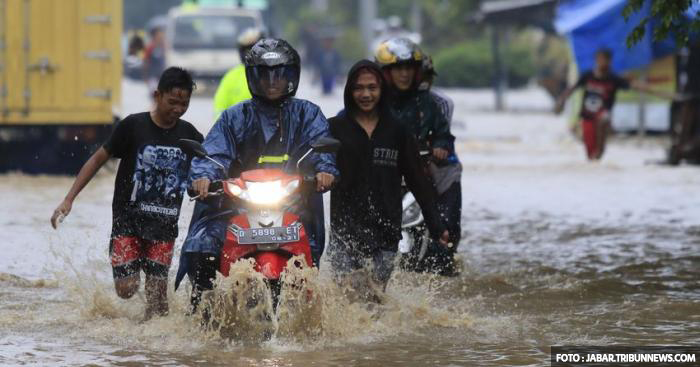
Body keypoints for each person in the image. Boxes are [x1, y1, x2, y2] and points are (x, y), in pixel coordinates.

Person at [174, 38, 339, 312]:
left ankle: (307, 314)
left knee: (307, 249)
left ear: (292, 76)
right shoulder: (234, 117)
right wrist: (204, 176)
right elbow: (214, 152)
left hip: (295, 207)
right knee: (203, 244)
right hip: (234, 207)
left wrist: (325, 171)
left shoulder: (308, 114)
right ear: (252, 77)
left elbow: (321, 147)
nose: (272, 81)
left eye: (279, 73)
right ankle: (203, 312)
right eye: (265, 74)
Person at [50, 67, 204, 320]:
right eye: (172, 102)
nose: (178, 109)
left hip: (164, 226)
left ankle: (153, 349)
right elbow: (98, 159)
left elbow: (209, 162)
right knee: (126, 290)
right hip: (127, 223)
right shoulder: (133, 126)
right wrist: (69, 198)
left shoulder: (189, 134)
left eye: (184, 104)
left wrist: (205, 180)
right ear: (157, 95)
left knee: (157, 299)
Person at [328, 60, 449, 295]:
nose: (365, 94)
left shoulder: (398, 130)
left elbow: (417, 179)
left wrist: (436, 224)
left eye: (372, 88)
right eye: (358, 88)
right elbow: (316, 167)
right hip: (345, 232)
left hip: (385, 233)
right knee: (344, 298)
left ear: (382, 90)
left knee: (374, 298)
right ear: (349, 91)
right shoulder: (334, 128)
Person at [375, 37, 462, 276]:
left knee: (446, 226)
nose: (404, 75)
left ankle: (443, 255)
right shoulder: (372, 102)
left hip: (425, 169)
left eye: (408, 69)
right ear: (384, 73)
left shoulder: (432, 103)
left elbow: (444, 134)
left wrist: (441, 147)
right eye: (398, 69)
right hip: (384, 170)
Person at [555, 48, 672, 160]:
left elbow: (635, 86)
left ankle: (601, 149)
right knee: (591, 154)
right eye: (600, 60)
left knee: (603, 119)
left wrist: (661, 93)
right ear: (596, 60)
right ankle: (595, 161)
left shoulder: (613, 78)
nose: (602, 63)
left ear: (610, 61)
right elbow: (572, 89)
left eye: (605, 60)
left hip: (604, 116)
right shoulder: (587, 76)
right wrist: (561, 100)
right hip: (587, 116)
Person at [213, 28, 263, 117]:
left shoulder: (273, 73)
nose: (251, 53)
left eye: (255, 49)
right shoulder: (231, 77)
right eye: (247, 50)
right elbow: (219, 110)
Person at [143, 27, 166, 93]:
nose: (161, 36)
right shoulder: (150, 47)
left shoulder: (163, 46)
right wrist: (145, 77)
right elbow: (145, 62)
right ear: (154, 36)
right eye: (159, 34)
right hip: (152, 76)